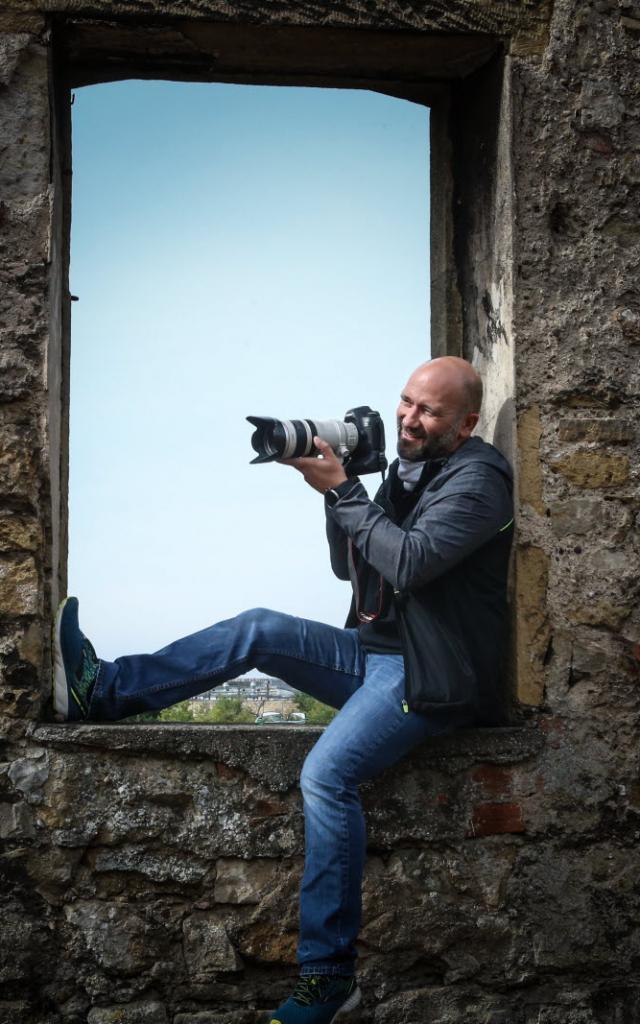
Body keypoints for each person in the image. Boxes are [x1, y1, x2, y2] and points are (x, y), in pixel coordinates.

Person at [52, 356, 514, 1024]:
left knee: (326, 775)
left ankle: (329, 980)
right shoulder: (408, 471)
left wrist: (348, 494)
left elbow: (411, 563)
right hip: (376, 651)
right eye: (406, 402)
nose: (409, 418)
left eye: (429, 411)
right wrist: (339, 488)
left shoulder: (480, 479)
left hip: (433, 675)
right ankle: (108, 692)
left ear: (467, 421)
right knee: (258, 629)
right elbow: (346, 566)